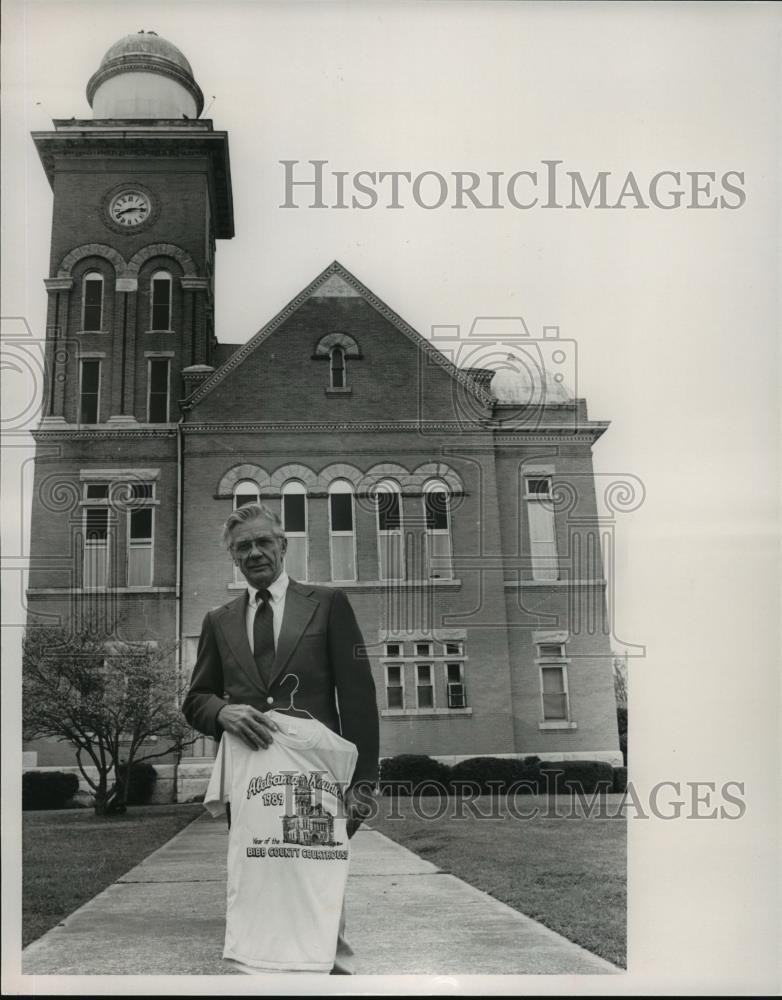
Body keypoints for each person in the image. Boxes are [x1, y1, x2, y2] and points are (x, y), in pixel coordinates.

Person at [182, 502, 379, 974]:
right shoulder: (218, 620)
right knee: (259, 904)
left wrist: (364, 783)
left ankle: (335, 978)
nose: (254, 553)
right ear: (233, 557)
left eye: (263, 542)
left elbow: (358, 698)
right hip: (253, 789)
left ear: (283, 546)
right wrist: (221, 711)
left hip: (317, 782)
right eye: (242, 547)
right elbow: (196, 699)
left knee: (321, 902)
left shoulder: (328, 604)